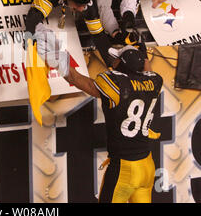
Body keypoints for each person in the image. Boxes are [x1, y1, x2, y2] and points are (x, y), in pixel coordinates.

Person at [35, 25, 163, 202]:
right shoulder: (155, 81)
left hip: (125, 169)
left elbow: (75, 79)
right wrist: (138, 51)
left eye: (116, 60)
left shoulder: (114, 84)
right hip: (147, 166)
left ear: (121, 65)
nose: (113, 62)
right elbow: (145, 68)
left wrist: (56, 56)